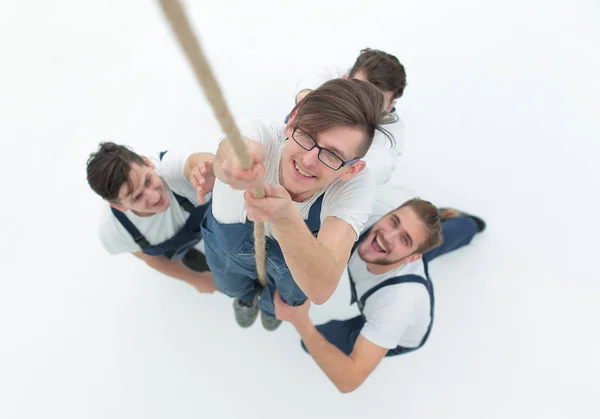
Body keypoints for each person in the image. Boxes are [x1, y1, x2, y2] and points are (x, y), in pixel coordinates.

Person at [197, 78, 396, 331]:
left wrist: (286, 218)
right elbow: (235, 150)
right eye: (307, 135)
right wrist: (237, 165)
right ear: (290, 124)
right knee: (231, 283)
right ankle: (244, 298)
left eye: (332, 154)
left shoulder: (355, 186)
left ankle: (270, 309)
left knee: (285, 298)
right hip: (227, 250)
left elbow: (321, 288)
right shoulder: (259, 133)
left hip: (291, 269)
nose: (310, 159)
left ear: (351, 169)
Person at [274, 198, 486, 393]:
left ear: (413, 258)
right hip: (399, 261)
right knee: (422, 240)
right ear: (388, 213)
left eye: (404, 238)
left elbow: (349, 380)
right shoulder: (370, 216)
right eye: (394, 221)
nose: (387, 237)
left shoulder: (398, 304)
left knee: (317, 341)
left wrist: (302, 323)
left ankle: (469, 226)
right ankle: (436, 224)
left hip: (400, 318)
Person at [86, 142, 217, 293]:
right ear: (119, 206)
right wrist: (197, 279)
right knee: (176, 255)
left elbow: (193, 162)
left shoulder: (171, 171)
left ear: (147, 163)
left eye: (148, 181)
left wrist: (209, 168)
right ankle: (186, 254)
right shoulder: (115, 232)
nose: (155, 197)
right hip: (169, 245)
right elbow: (152, 258)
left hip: (213, 221)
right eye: (137, 197)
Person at [292, 48, 407, 185]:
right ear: (345, 78)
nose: (362, 104)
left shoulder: (392, 131)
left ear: (390, 107)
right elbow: (305, 89)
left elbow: (379, 169)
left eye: (376, 101)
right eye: (359, 90)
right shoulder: (326, 74)